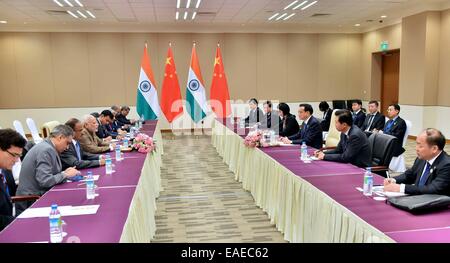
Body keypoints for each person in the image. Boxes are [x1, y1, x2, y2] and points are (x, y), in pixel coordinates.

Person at [15, 125, 80, 214]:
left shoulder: (48, 147)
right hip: (31, 200)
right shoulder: (46, 150)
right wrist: (66, 174)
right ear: (60, 137)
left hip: (38, 195)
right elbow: (45, 180)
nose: (67, 147)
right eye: (67, 143)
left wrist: (64, 172)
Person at [384, 128, 450, 195]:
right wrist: (394, 180)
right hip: (417, 199)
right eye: (416, 144)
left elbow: (432, 189)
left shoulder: (447, 165)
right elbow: (409, 175)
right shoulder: (421, 158)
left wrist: (401, 188)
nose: (416, 148)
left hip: (435, 202)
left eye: (420, 146)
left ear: (434, 149)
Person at [0, 129, 27, 231]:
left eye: (19, 156)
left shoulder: (5, 171)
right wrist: (19, 221)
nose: (16, 161)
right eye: (14, 155)